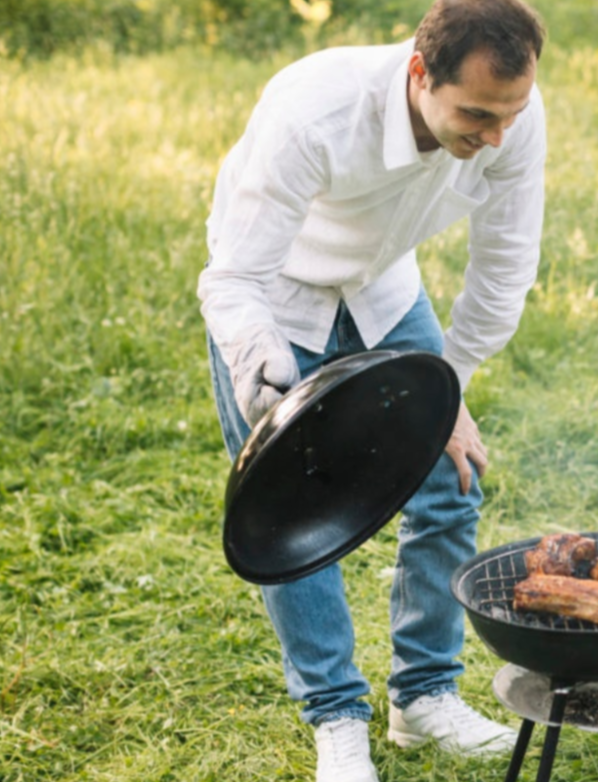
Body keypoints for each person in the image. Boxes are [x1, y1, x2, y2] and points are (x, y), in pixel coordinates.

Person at [197, 1, 546, 779]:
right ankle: (336, 719)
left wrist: (447, 389)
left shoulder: (512, 115)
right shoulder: (312, 111)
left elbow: (503, 268)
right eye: (477, 115)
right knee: (293, 513)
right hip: (277, 297)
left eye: (509, 116)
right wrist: (268, 380)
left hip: (384, 291)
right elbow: (234, 276)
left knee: (452, 479)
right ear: (421, 74)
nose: (495, 137)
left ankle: (422, 699)